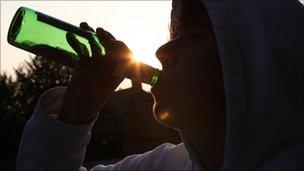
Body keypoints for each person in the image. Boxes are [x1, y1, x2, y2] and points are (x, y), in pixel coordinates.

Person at [17, 0, 303, 170]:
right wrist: (74, 115)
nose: (162, 52)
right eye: (175, 34)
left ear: (255, 61)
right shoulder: (166, 165)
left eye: (192, 36)